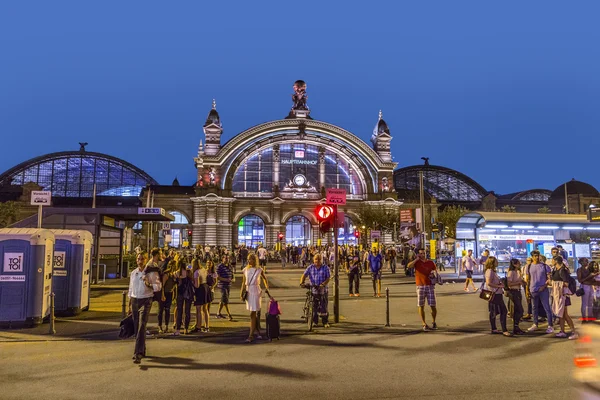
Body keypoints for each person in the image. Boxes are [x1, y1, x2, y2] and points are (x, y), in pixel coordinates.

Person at [128, 252, 159, 364]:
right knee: (137, 327)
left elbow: (158, 287)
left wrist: (149, 285)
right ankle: (142, 349)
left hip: (146, 300)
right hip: (135, 300)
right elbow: (131, 289)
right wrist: (129, 304)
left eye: (142, 259)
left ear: (146, 260)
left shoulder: (151, 273)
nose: (140, 261)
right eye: (138, 259)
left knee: (142, 325)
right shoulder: (133, 273)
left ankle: (137, 354)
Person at [407, 248, 438, 331]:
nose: (422, 255)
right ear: (418, 254)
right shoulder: (417, 262)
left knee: (433, 305)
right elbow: (409, 266)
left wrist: (433, 275)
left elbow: (435, 271)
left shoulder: (430, 262)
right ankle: (424, 323)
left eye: (423, 253)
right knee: (421, 305)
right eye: (420, 253)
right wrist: (416, 259)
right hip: (420, 286)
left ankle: (434, 321)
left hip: (430, 285)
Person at [240, 254, 269, 343]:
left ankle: (251, 335)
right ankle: (257, 330)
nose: (249, 261)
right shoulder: (245, 269)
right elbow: (243, 282)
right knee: (254, 313)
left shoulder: (259, 269)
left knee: (253, 313)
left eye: (250, 260)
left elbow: (265, 278)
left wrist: (267, 287)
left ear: (254, 260)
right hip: (248, 291)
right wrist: (241, 292)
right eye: (248, 259)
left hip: (256, 290)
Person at [524, 250, 554, 333]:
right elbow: (528, 279)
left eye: (538, 256)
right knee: (534, 308)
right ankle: (535, 324)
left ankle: (550, 325)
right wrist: (527, 290)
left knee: (547, 307)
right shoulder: (528, 266)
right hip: (533, 289)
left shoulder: (544, 266)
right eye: (535, 256)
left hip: (543, 289)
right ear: (532, 257)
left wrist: (544, 286)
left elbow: (549, 278)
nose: (537, 257)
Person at [300, 254, 331, 328]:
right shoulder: (310, 267)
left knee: (324, 307)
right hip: (313, 290)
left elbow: (328, 278)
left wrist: (323, 284)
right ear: (313, 260)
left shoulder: (325, 268)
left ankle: (325, 322)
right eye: (316, 259)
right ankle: (314, 321)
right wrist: (302, 282)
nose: (317, 261)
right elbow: (304, 275)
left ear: (322, 260)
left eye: (319, 259)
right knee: (314, 307)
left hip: (323, 290)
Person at [484, 256, 512, 337]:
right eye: (496, 261)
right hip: (494, 294)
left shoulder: (492, 271)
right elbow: (488, 283)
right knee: (503, 311)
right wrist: (499, 286)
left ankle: (494, 328)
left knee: (494, 311)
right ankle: (504, 330)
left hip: (497, 293)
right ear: (492, 262)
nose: (497, 262)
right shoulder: (489, 271)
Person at [551, 256, 577, 339]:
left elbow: (566, 283)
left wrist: (554, 283)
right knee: (561, 315)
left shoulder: (562, 271)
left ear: (555, 261)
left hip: (563, 295)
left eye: (552, 260)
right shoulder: (556, 270)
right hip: (559, 295)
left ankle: (574, 332)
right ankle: (562, 331)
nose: (551, 261)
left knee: (565, 314)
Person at [174, 260, 194, 336]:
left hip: (180, 293)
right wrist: (188, 267)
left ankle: (178, 329)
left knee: (179, 311)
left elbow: (174, 281)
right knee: (187, 311)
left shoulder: (177, 273)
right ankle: (186, 329)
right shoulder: (188, 272)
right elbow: (191, 266)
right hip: (188, 293)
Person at [506, 259, 526, 334]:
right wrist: (519, 282)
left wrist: (523, 282)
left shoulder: (517, 272)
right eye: (518, 263)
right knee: (519, 310)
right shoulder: (511, 272)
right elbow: (509, 283)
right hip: (513, 291)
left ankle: (516, 327)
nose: (520, 264)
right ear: (514, 264)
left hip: (518, 291)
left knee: (518, 310)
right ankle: (515, 326)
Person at [158, 259, 177, 334]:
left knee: (168, 310)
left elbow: (174, 285)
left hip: (170, 293)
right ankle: (160, 326)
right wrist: (162, 295)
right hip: (164, 293)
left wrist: (174, 294)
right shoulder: (166, 274)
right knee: (161, 310)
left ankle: (166, 326)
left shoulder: (173, 274)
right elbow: (162, 285)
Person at [193, 259, 211, 332]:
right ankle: (207, 326)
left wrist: (192, 283)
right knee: (205, 309)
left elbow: (196, 285)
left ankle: (198, 326)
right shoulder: (203, 269)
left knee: (198, 309)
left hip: (200, 290)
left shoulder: (196, 272)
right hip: (206, 288)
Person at [578, 258, 597, 323]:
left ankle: (590, 317)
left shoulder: (589, 269)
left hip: (590, 286)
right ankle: (584, 318)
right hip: (585, 287)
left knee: (590, 303)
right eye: (585, 261)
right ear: (581, 263)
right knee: (584, 303)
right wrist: (589, 277)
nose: (587, 262)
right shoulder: (580, 270)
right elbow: (580, 280)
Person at [216, 255, 234, 321]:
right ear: (222, 259)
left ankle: (218, 313)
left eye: (228, 258)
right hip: (222, 285)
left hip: (228, 285)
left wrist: (232, 279)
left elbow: (232, 275)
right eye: (225, 258)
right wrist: (225, 279)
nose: (227, 259)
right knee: (225, 300)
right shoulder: (219, 266)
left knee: (223, 299)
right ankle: (229, 314)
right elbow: (217, 276)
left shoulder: (230, 266)